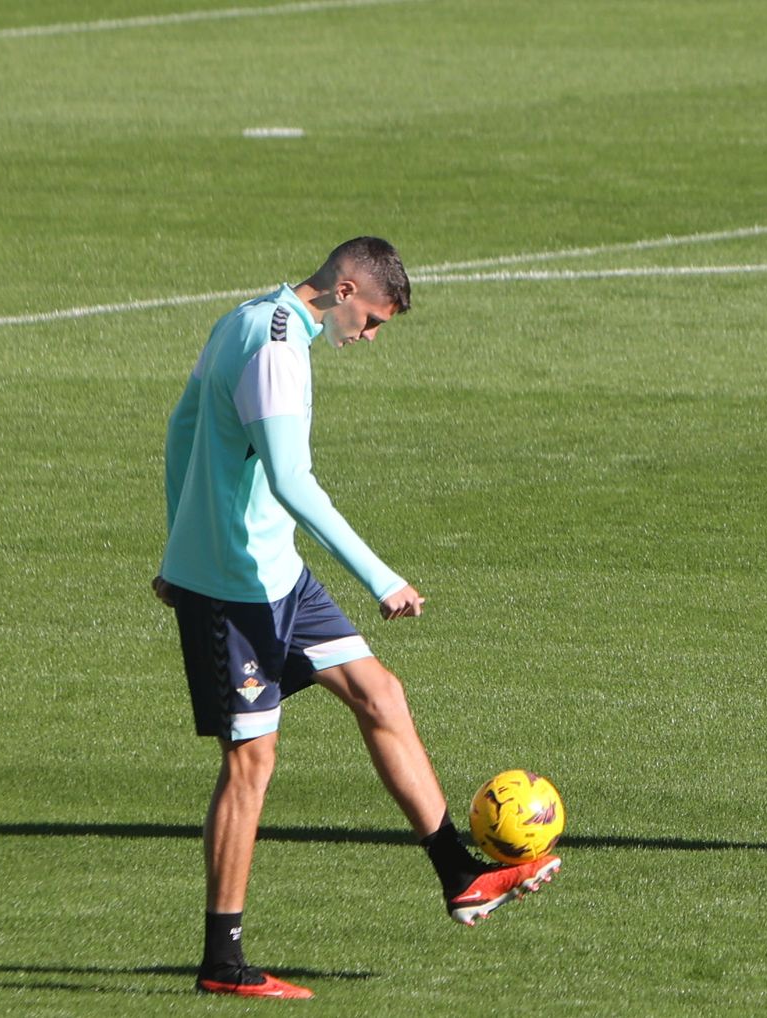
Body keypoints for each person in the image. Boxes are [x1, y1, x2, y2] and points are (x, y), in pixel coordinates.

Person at [153, 237, 560, 999]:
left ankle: (460, 877)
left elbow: (181, 428)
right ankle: (222, 962)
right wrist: (382, 577)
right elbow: (292, 480)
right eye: (371, 320)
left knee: (382, 694)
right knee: (250, 765)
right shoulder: (278, 349)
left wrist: (176, 540)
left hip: (279, 574)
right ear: (345, 290)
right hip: (235, 591)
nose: (369, 337)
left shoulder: (247, 317)